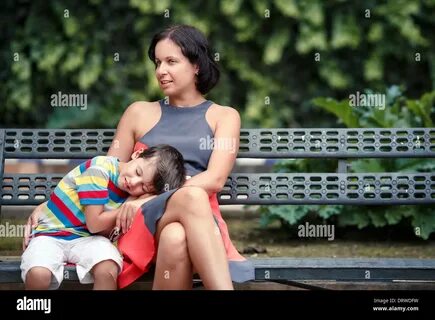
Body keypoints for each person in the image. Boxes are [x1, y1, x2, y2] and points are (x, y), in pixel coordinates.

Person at [24, 24, 254, 290]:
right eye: (157, 62)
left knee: (176, 235)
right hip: (136, 219)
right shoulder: (138, 112)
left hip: (196, 218)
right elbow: (108, 174)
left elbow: (214, 180)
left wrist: (149, 197)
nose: (161, 71)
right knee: (187, 205)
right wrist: (51, 205)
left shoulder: (224, 116)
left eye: (171, 61)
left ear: (197, 66)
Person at [21, 145, 186, 290]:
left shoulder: (131, 194)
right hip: (50, 233)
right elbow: (94, 224)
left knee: (108, 268)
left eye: (143, 186)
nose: (133, 182)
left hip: (86, 239)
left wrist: (142, 200)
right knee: (38, 274)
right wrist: (135, 204)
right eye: (137, 172)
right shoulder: (99, 169)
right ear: (137, 154)